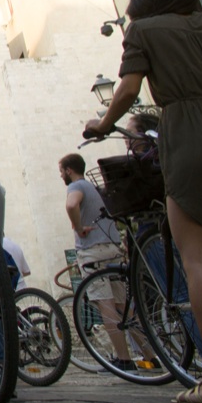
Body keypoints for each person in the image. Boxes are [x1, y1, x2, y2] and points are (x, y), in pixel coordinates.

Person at [84, 0, 202, 403]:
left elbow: (127, 90)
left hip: (192, 141)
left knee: (200, 261)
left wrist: (103, 124)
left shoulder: (145, 32)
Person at [60, 153, 157, 373]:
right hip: (112, 247)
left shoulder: (76, 187)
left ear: (68, 170)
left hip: (92, 251)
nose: (61, 175)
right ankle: (151, 355)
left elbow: (71, 205)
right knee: (124, 306)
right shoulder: (98, 189)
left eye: (61, 171)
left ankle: (123, 359)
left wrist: (78, 227)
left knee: (105, 304)